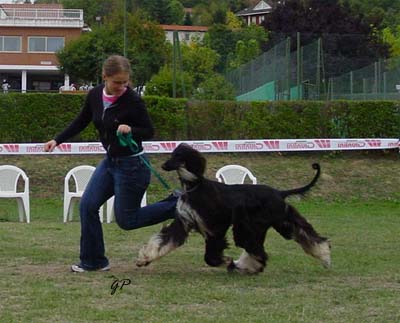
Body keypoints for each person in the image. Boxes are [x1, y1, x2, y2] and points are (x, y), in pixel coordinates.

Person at [44, 55, 178, 272]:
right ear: (104, 77)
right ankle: (94, 262)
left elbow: (149, 131)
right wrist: (57, 140)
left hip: (133, 166)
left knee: (127, 220)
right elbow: (81, 121)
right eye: (117, 82)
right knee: (87, 206)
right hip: (111, 162)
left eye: (125, 82)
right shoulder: (95, 95)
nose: (121, 87)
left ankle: (176, 204)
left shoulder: (133, 101)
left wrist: (131, 130)